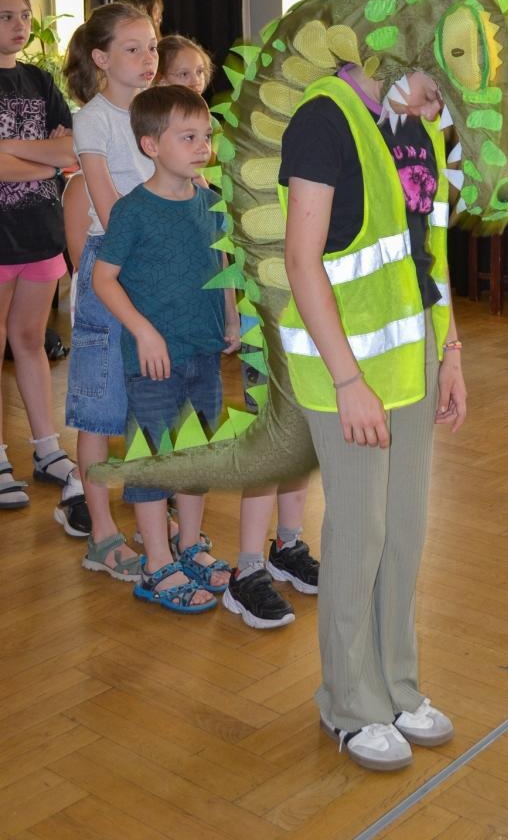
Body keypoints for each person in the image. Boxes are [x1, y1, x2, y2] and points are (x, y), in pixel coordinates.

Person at [278, 60, 466, 771]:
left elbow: (427, 251)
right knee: (360, 532)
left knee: (406, 529)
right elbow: (303, 261)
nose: (437, 99)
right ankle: (350, 703)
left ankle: (396, 686)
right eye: (433, 77)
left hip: (411, 351)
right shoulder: (322, 121)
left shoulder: (415, 128)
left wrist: (449, 350)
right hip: (345, 366)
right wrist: (349, 379)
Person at [155, 33, 321, 627]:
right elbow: (228, 251)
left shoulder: (316, 144)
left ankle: (288, 545)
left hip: (311, 323)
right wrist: (233, 315)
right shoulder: (231, 163)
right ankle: (247, 568)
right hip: (263, 325)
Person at [92, 85, 240, 612]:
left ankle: (190, 545)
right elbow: (105, 280)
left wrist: (231, 314)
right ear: (151, 145)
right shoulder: (133, 211)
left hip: (203, 351)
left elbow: (222, 264)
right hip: (154, 360)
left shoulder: (210, 202)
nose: (203, 146)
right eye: (188, 137)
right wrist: (144, 331)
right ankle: (156, 564)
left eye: (206, 136)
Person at [63, 1, 160, 580]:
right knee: (100, 406)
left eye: (152, 46)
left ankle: (152, 515)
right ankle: (101, 531)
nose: (149, 58)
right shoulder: (92, 120)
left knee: (153, 398)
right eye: (134, 48)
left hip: (160, 261)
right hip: (114, 264)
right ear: (101, 58)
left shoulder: (158, 112)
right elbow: (108, 206)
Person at [0, 0, 89, 534]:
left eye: (24, 16)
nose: (19, 26)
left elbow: (75, 147)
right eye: (6, 16)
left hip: (40, 230)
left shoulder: (38, 79)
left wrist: (22, 152)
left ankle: (45, 446)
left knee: (30, 341)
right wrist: (49, 159)